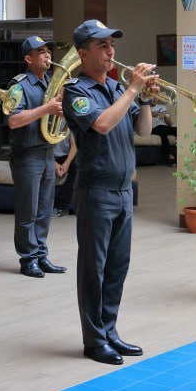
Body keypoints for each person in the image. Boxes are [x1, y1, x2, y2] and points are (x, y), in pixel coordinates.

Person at [62, 19, 157, 366]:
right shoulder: (77, 91)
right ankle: (94, 339)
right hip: (96, 190)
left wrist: (144, 99)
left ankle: (110, 330)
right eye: (102, 46)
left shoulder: (118, 90)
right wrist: (133, 90)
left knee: (118, 265)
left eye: (111, 45)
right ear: (83, 53)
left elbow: (143, 130)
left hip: (122, 190)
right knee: (94, 267)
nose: (110, 51)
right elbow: (101, 125)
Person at [4, 35, 66, 277]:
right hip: (26, 154)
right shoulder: (17, 85)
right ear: (28, 59)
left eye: (48, 50)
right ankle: (27, 258)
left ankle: (41, 255)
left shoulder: (52, 83)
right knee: (27, 210)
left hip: (46, 152)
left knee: (44, 209)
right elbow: (13, 120)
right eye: (40, 52)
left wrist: (61, 112)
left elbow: (55, 116)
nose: (47, 55)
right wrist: (47, 108)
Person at [150, 101, 177, 166]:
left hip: (164, 127)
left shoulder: (162, 107)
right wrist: (150, 114)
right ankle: (170, 156)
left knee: (177, 130)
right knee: (162, 130)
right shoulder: (145, 107)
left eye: (155, 96)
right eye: (152, 96)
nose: (154, 98)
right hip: (153, 128)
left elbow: (169, 124)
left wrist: (165, 116)